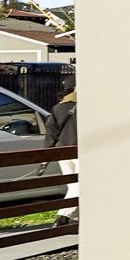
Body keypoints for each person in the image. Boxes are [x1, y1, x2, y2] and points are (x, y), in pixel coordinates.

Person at [47, 88, 76, 225]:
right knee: (79, 185)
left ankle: (68, 216)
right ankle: (63, 216)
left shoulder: (57, 108)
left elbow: (51, 132)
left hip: (63, 151)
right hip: (79, 150)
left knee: (72, 185)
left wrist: (46, 152)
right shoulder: (86, 107)